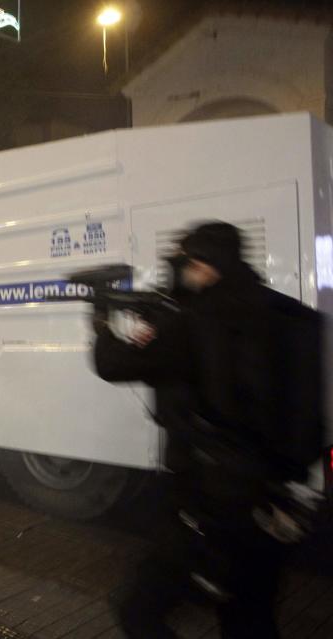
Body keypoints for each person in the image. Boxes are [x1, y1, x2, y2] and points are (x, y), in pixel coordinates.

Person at [92, 222, 322, 638]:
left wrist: (101, 320)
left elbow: (113, 365)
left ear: (203, 265)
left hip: (206, 504)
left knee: (138, 611)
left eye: (184, 264)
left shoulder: (192, 323)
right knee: (250, 619)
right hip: (273, 505)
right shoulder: (291, 316)